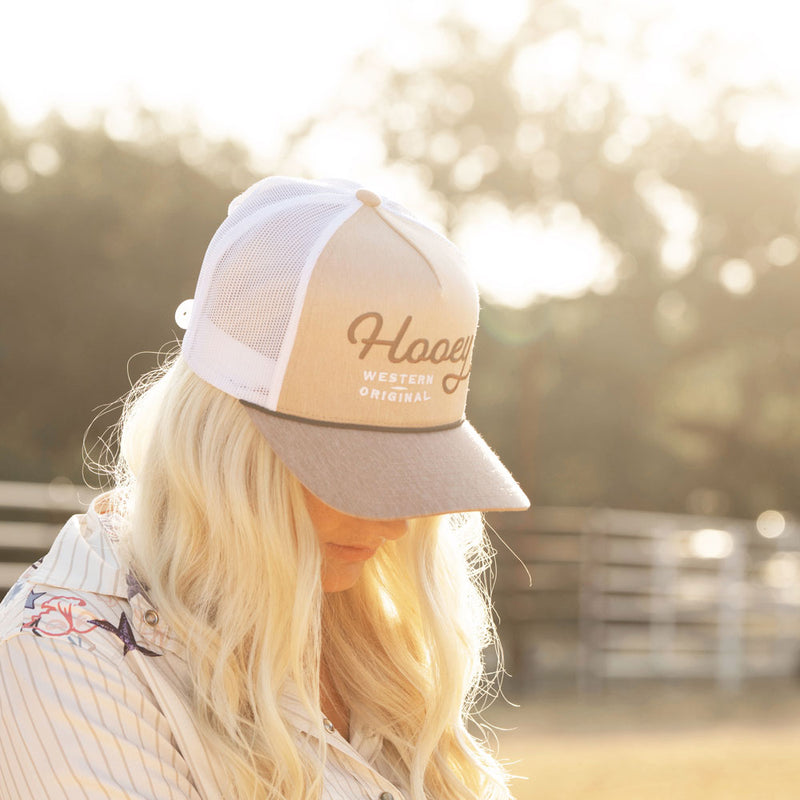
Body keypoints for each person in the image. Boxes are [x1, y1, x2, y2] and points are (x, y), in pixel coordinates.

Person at [0, 176, 530, 800]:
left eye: (416, 471)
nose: (399, 523)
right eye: (360, 469)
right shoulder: (62, 661)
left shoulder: (363, 637)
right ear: (227, 444)